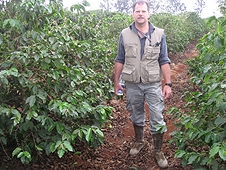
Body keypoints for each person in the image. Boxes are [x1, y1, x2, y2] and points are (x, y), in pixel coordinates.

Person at [114, 0, 172, 168]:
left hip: (153, 83)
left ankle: (158, 150)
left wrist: (168, 84)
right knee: (135, 113)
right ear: (133, 14)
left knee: (157, 116)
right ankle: (139, 141)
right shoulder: (124, 34)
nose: (140, 14)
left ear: (148, 14)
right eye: (137, 11)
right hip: (132, 84)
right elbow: (120, 59)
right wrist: (117, 82)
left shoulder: (159, 34)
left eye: (143, 11)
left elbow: (164, 59)